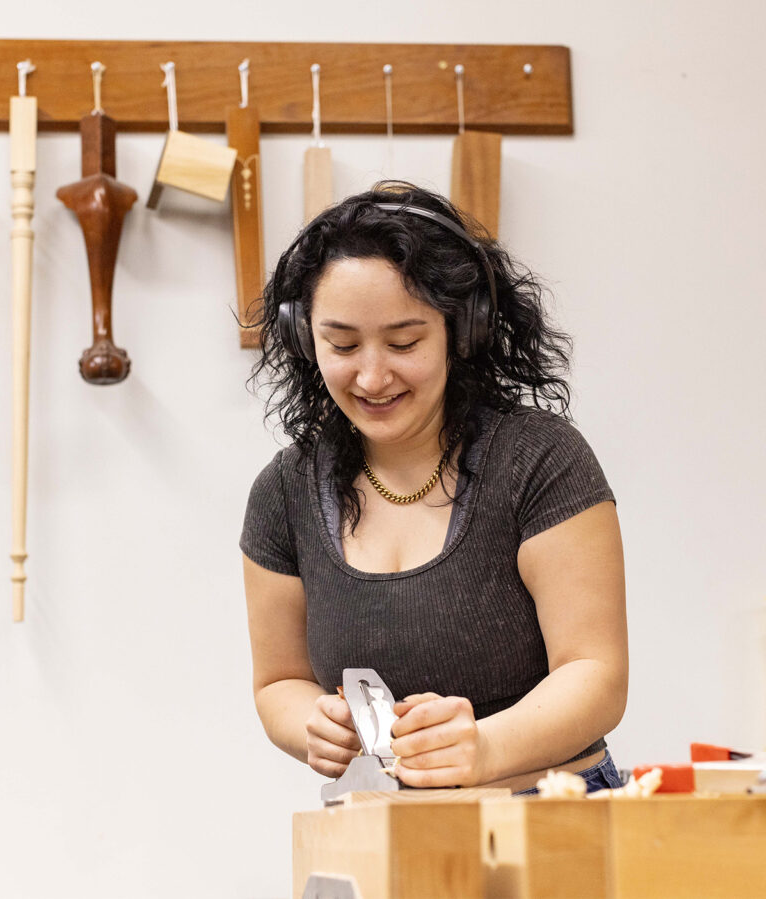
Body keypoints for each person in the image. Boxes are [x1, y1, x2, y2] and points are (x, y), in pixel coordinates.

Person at [240, 182, 627, 794]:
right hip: (389, 825)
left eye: (404, 342)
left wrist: (486, 747)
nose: (371, 375)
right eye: (342, 344)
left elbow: (596, 674)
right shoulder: (283, 494)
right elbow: (278, 683)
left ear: (461, 330)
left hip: (553, 814)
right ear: (303, 337)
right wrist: (310, 723)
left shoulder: (539, 460)